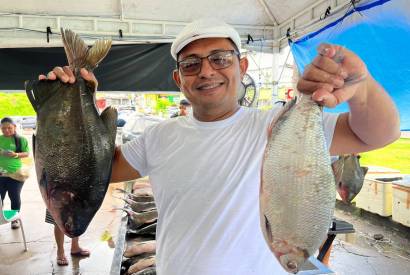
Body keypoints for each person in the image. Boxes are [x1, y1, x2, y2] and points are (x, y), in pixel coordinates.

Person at [40, 18, 400, 275]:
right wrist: (65, 109)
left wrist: (362, 86)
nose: (207, 71)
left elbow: (375, 135)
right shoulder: (159, 137)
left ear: (241, 66)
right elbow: (89, 174)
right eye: (192, 64)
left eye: (220, 59)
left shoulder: (279, 126)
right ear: (178, 80)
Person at [0, 117, 29, 229]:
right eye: (3, 128)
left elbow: (26, 153)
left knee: (14, 197)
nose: (6, 130)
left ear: (14, 127)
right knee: (0, 198)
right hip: (1, 175)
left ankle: (15, 219)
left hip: (15, 175)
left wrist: (15, 154)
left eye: (9, 128)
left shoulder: (20, 139)